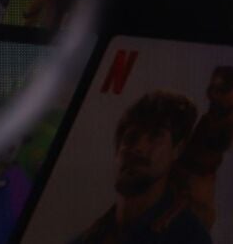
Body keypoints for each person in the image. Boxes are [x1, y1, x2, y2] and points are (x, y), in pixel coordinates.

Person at [71, 91, 211, 244]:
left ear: (177, 149)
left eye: (155, 136)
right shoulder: (89, 238)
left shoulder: (189, 237)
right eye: (132, 135)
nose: (139, 147)